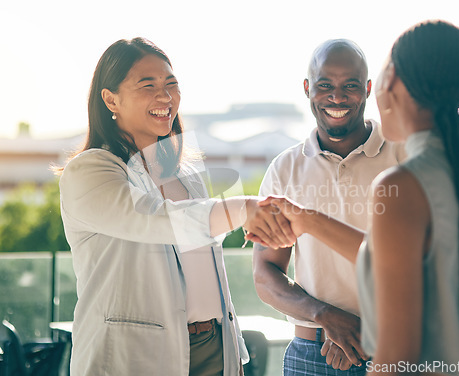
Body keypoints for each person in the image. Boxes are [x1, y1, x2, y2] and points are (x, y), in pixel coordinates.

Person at [254, 20, 459, 375]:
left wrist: (370, 338)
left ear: (388, 83)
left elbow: (397, 348)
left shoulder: (403, 182)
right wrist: (310, 222)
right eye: (325, 85)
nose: (338, 97)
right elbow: (402, 260)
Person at [58, 37, 295, 376]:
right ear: (111, 98)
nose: (165, 96)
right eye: (148, 85)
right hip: (134, 357)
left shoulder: (185, 175)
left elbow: (210, 273)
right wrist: (243, 208)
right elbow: (156, 219)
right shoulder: (90, 171)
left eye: (171, 84)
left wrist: (230, 352)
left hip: (213, 348)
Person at [251, 39, 405, 375]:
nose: (337, 97)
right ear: (307, 88)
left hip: (394, 350)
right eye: (325, 86)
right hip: (310, 355)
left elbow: (422, 264)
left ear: (367, 89)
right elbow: (265, 274)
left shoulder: (403, 157)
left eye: (350, 85)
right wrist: (325, 316)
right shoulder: (284, 168)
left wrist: (365, 329)